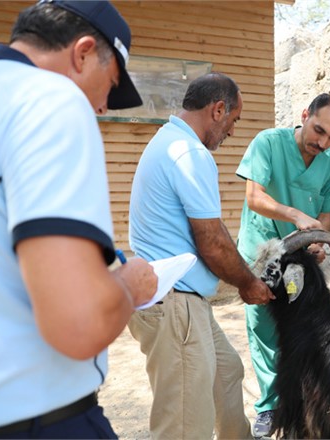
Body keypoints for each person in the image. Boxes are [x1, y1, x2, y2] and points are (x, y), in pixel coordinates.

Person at [0, 1, 158, 438]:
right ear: (83, 52)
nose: (102, 108)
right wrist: (129, 284)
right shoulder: (47, 98)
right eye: (110, 85)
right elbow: (79, 323)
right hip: (35, 418)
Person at [127, 72, 274, 440]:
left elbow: (214, 235)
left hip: (182, 300)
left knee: (227, 372)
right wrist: (248, 283)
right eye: (234, 120)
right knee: (183, 425)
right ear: (218, 109)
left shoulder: (168, 140)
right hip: (176, 305)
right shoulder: (190, 152)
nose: (232, 131)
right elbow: (212, 241)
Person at [236, 93, 330, 438]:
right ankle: (270, 408)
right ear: (304, 115)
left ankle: (302, 404)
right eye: (319, 130)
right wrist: (295, 215)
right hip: (262, 257)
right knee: (266, 333)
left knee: (304, 329)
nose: (323, 142)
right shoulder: (268, 143)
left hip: (300, 263)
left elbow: (325, 219)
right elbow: (254, 197)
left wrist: (318, 242)